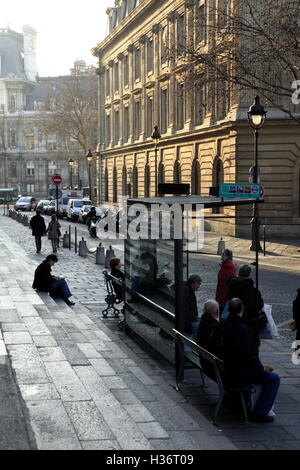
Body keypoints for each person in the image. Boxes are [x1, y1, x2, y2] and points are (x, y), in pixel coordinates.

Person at [223, 298, 280, 423]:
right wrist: (260, 368)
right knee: (273, 378)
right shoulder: (241, 329)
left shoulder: (225, 324)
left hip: (227, 368)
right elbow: (247, 355)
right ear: (242, 309)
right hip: (238, 372)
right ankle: (260, 412)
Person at [227, 264, 264, 352]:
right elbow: (259, 305)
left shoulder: (232, 285)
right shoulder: (252, 290)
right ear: (248, 274)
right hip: (249, 322)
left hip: (233, 320)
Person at [196, 299, 224, 378]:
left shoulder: (203, 322)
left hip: (204, 357)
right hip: (211, 361)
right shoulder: (216, 327)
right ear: (216, 311)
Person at [183, 274, 202, 339]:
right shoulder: (187, 291)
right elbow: (185, 308)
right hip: (186, 321)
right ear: (194, 283)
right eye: (198, 284)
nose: (199, 286)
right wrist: (194, 318)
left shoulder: (188, 289)